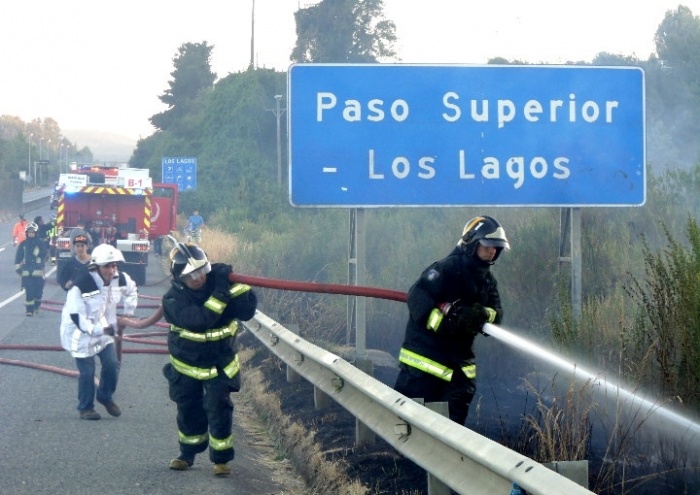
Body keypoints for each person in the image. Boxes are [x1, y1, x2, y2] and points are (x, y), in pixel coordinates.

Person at [393, 215, 510, 426]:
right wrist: (445, 323)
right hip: (425, 361)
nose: (493, 251)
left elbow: (497, 312)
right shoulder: (447, 268)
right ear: (471, 243)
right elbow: (417, 296)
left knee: (451, 429)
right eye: (488, 245)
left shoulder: (488, 281)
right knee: (409, 423)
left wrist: (482, 314)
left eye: (496, 247)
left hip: (459, 366)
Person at [161, 241, 257, 476]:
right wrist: (222, 290)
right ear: (178, 278)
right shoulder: (173, 300)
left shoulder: (219, 282)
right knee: (188, 409)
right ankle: (187, 454)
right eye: (190, 274)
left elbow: (246, 311)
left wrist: (236, 283)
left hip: (219, 362)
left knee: (218, 407)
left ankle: (221, 460)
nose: (198, 278)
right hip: (186, 365)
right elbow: (202, 319)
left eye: (202, 270)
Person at [59, 244, 138, 420]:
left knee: (111, 364)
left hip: (103, 328)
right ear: (97, 266)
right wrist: (97, 330)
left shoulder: (121, 279)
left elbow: (132, 291)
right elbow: (77, 316)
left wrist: (127, 313)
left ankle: (105, 396)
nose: (111, 270)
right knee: (87, 372)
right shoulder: (82, 284)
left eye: (114, 265)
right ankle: (86, 408)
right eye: (107, 266)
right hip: (79, 333)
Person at [14, 222, 47, 316]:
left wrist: (37, 251)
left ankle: (37, 305)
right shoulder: (23, 244)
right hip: (26, 272)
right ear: (27, 233)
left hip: (38, 272)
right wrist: (18, 269)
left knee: (38, 293)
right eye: (29, 232)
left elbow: (44, 254)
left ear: (36, 233)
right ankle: (29, 310)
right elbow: (18, 257)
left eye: (33, 232)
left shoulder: (40, 243)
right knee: (29, 292)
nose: (31, 234)